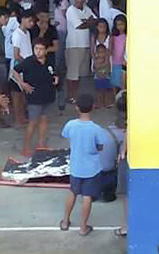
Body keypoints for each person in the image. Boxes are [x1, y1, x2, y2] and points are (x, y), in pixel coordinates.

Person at [60, 94, 106, 236]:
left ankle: (65, 221)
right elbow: (100, 147)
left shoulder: (71, 125)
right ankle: (83, 227)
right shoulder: (96, 129)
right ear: (93, 107)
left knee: (73, 192)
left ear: (76, 108)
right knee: (87, 196)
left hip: (76, 166)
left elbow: (66, 136)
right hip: (91, 168)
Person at [65, 0, 96, 103]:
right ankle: (70, 96)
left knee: (79, 74)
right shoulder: (70, 10)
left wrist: (86, 22)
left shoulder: (87, 9)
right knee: (72, 74)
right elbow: (79, 26)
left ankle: (75, 95)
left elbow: (95, 21)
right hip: (74, 45)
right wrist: (88, 22)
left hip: (85, 44)